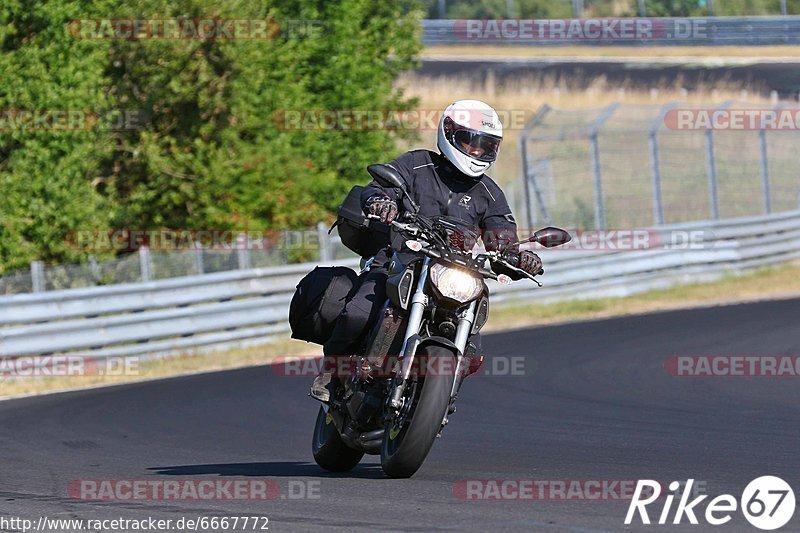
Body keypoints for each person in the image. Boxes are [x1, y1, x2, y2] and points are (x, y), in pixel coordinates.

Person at [311, 100, 543, 402]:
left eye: (485, 146)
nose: (476, 152)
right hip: (398, 259)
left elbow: (502, 234)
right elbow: (381, 185)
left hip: (454, 270)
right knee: (359, 310)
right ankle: (333, 373)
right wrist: (382, 201)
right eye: (469, 142)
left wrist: (516, 255)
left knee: (474, 349)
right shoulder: (417, 164)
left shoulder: (490, 194)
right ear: (448, 134)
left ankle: (437, 400)